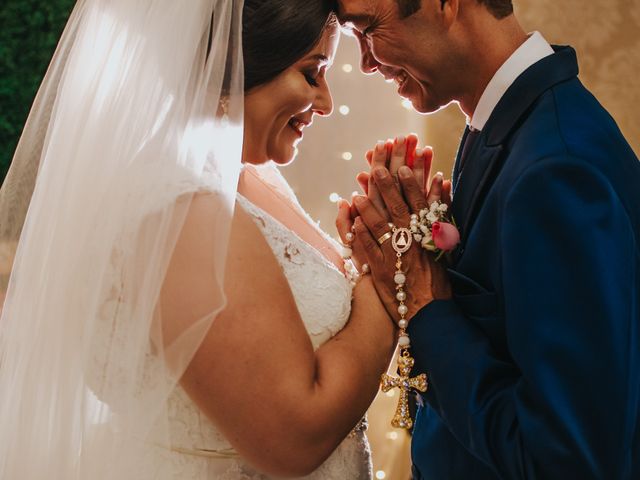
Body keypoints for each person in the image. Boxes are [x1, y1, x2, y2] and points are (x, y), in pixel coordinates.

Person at [0, 0, 425, 478]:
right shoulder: (181, 210)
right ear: (233, 67)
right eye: (311, 74)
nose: (325, 101)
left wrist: (366, 248)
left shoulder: (247, 177)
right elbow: (293, 437)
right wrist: (393, 275)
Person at [334, 0, 640, 478]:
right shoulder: (509, 128)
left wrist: (421, 303)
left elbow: (568, 460)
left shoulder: (557, 169)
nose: (366, 61)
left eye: (369, 28)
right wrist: (419, 250)